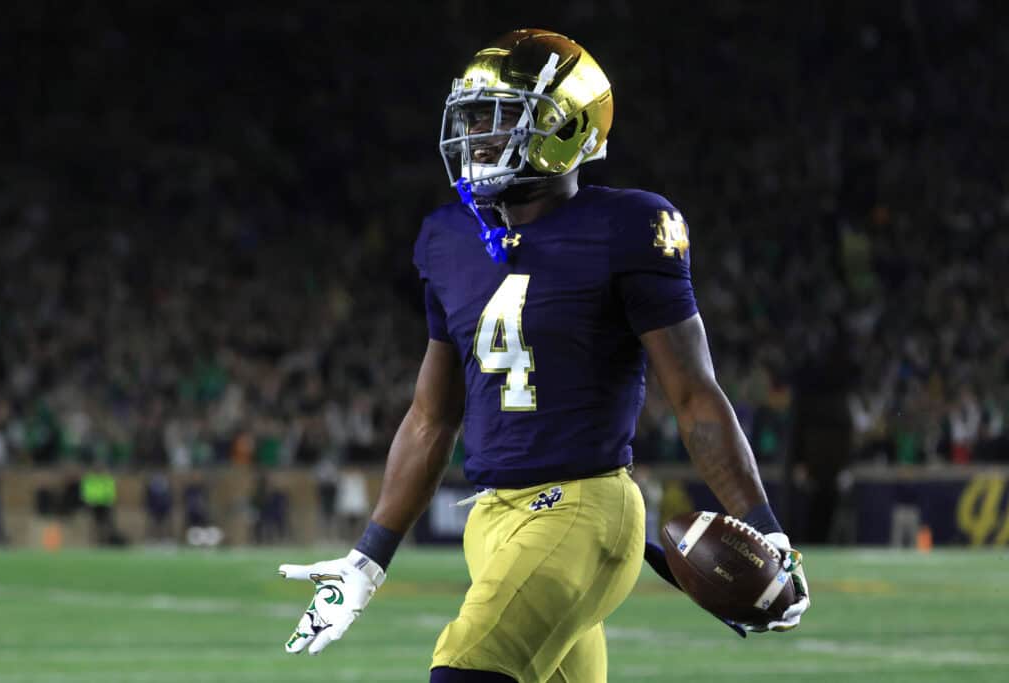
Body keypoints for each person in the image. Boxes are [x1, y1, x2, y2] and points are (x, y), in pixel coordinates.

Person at [280, 29, 809, 682]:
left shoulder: (627, 227)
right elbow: (431, 417)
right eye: (472, 118)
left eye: (499, 118)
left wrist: (766, 529)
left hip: (581, 509)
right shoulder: (449, 237)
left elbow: (694, 395)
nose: (477, 137)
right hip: (490, 520)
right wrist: (369, 556)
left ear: (566, 128)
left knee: (464, 670)